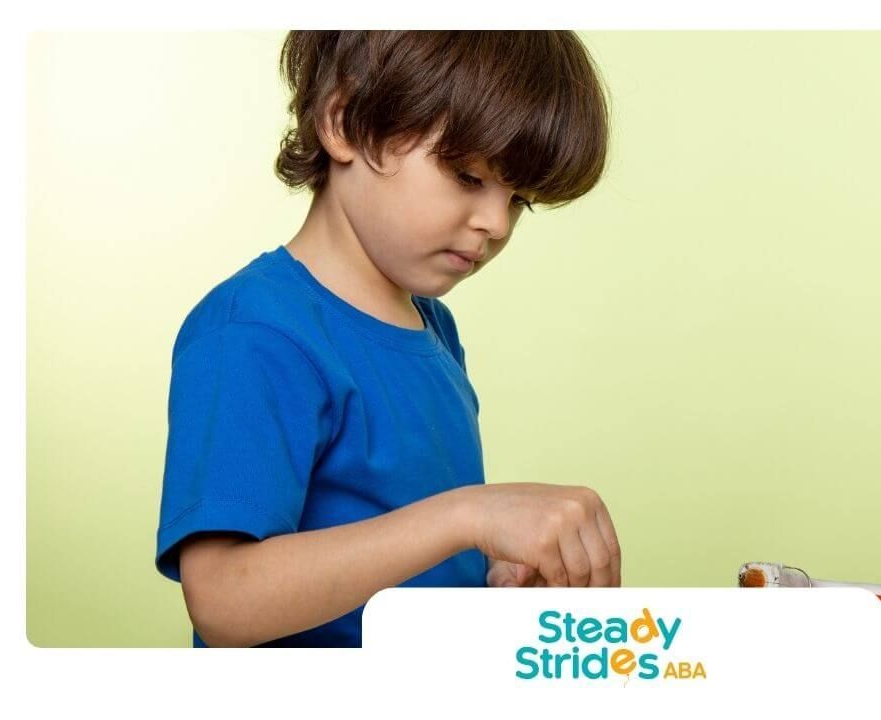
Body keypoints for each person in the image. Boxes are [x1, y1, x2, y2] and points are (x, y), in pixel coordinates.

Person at [154, 30, 620, 648]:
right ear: (345, 123)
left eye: (520, 201)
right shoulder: (255, 333)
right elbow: (223, 598)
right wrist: (470, 516)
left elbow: (401, 548)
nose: (496, 223)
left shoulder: (434, 328)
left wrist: (489, 567)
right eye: (466, 175)